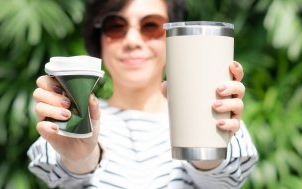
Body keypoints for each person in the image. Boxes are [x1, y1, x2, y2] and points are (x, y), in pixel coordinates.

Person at [28, 0, 258, 188]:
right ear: (98, 38)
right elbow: (61, 174)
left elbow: (220, 183)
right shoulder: (72, 119)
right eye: (116, 26)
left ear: (175, 37)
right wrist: (80, 157)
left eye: (151, 26)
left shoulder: (223, 120)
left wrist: (205, 135)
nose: (132, 41)